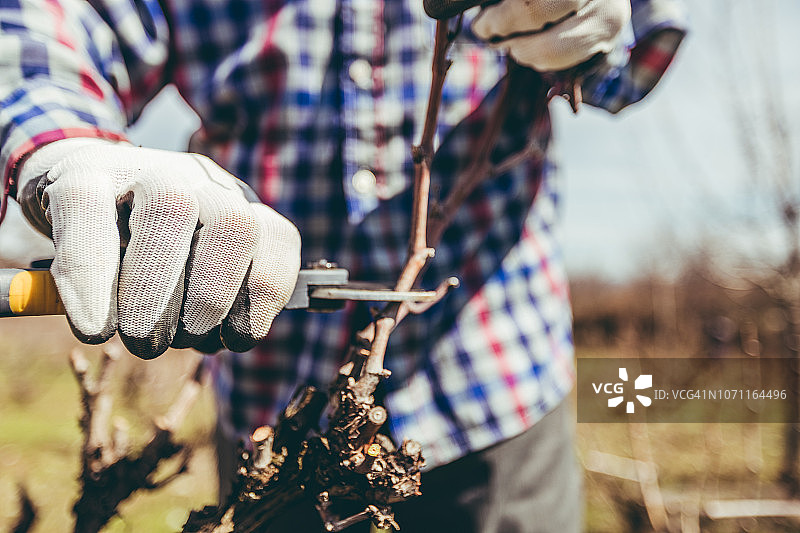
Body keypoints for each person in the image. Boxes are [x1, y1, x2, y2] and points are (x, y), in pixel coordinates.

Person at [0, 0, 686, 530]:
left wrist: (589, 26)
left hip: (499, 397)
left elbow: (631, 60)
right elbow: (55, 27)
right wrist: (64, 146)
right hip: (274, 426)